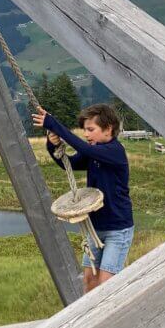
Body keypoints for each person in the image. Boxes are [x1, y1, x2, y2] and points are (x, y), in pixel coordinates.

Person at [31, 102, 134, 293]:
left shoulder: (114, 151)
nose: (86, 134)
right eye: (84, 130)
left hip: (118, 230)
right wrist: (52, 145)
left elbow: (85, 150)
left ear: (108, 129)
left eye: (90, 129)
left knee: (106, 286)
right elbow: (67, 163)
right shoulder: (94, 152)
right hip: (95, 229)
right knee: (89, 281)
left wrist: (54, 124)